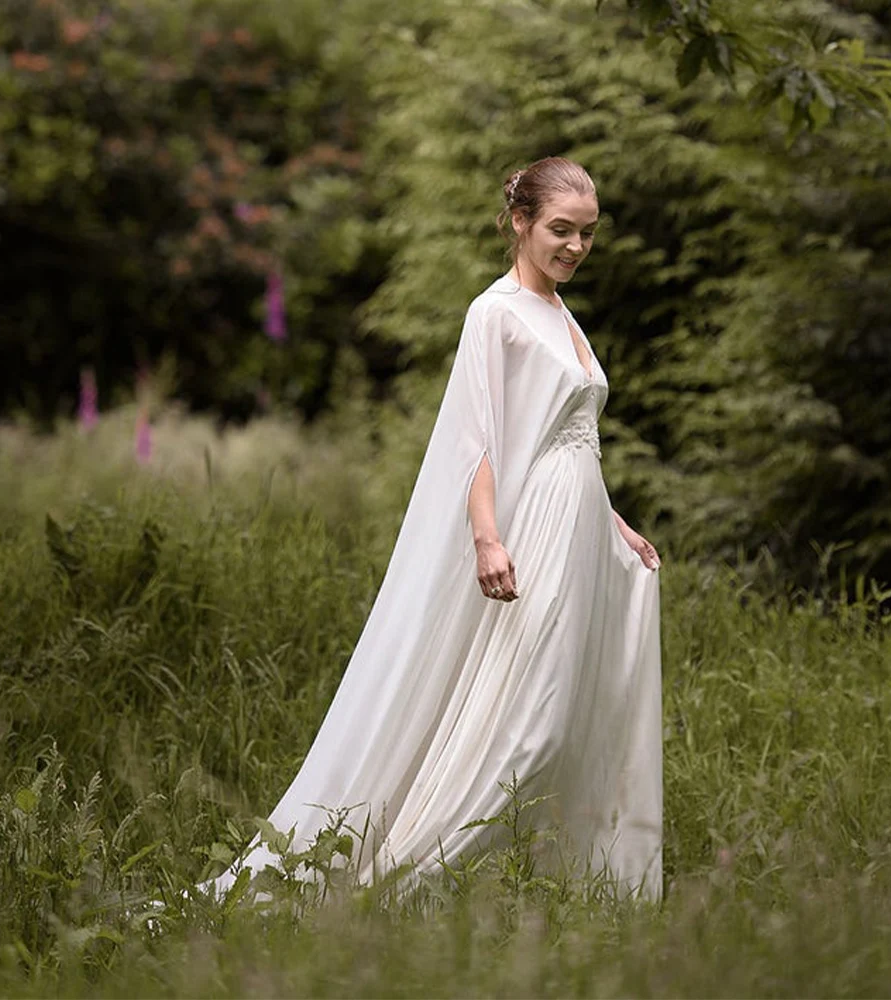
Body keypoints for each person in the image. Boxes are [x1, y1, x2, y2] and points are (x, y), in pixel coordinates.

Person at [211, 156, 662, 901]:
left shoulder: (563, 316)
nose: (577, 246)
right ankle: (402, 880)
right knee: (536, 714)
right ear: (520, 222)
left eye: (587, 233)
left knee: (571, 698)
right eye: (561, 230)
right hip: (531, 534)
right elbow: (476, 442)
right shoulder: (497, 314)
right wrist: (487, 538)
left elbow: (561, 439)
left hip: (578, 529)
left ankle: (543, 883)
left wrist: (615, 524)